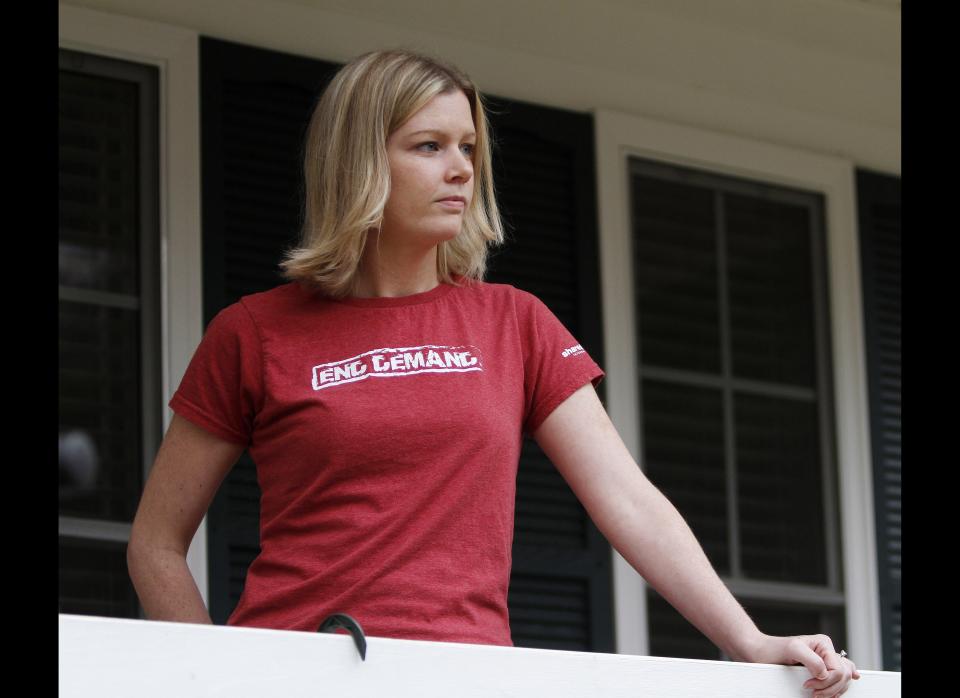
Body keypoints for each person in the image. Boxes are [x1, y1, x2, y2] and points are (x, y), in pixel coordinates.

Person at [127, 48, 860, 697]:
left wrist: (750, 641)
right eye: (428, 145)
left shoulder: (514, 322)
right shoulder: (253, 331)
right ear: (359, 162)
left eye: (469, 146)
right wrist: (209, 678)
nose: (461, 169)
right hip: (292, 673)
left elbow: (626, 499)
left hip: (470, 677)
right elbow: (156, 543)